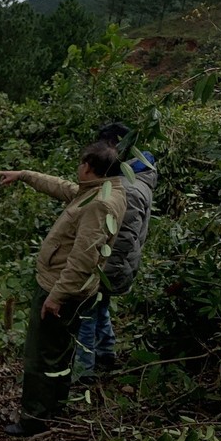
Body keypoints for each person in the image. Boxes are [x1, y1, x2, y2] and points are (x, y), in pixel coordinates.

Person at [0, 142, 127, 436]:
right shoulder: (104, 190)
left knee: (40, 355)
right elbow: (62, 187)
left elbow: (83, 259)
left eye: (81, 164)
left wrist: (56, 296)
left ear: (89, 167)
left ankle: (34, 419)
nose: (77, 169)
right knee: (60, 350)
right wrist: (25, 175)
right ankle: (55, 406)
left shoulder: (99, 204)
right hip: (71, 289)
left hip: (60, 289)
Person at [74, 123, 158, 379]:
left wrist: (99, 274)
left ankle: (83, 371)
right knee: (100, 307)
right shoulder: (134, 177)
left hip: (110, 266)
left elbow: (121, 239)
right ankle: (106, 353)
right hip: (115, 265)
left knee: (86, 314)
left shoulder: (129, 189)